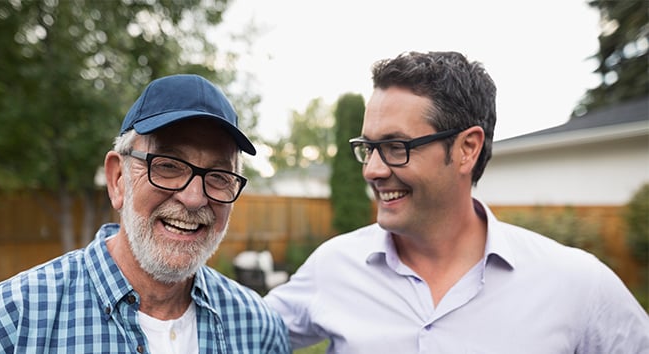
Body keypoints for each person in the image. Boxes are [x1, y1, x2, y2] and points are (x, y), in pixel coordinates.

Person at [264, 51, 649, 353]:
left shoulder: (577, 284)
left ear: (467, 149)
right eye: (368, 148)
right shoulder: (333, 267)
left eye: (396, 147)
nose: (373, 171)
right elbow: (235, 331)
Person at [0, 74, 291, 353]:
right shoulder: (2, 329)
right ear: (118, 179)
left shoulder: (259, 328)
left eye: (218, 176)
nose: (194, 198)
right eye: (168, 165)